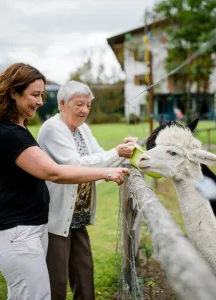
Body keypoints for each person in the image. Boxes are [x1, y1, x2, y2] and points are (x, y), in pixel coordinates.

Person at [0, 63, 129, 300]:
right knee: (37, 294)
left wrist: (124, 158)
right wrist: (106, 173)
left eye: (42, 95)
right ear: (13, 93)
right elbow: (55, 173)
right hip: (15, 230)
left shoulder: (17, 129)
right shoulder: (9, 133)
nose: (40, 101)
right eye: (35, 95)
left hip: (29, 227)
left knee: (28, 294)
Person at [37, 80, 137, 300]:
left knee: (84, 274)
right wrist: (116, 152)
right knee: (57, 281)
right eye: (78, 104)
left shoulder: (82, 129)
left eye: (88, 105)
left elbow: (102, 158)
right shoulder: (53, 129)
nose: (84, 110)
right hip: (56, 219)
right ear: (62, 104)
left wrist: (127, 151)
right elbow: (75, 165)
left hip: (78, 217)